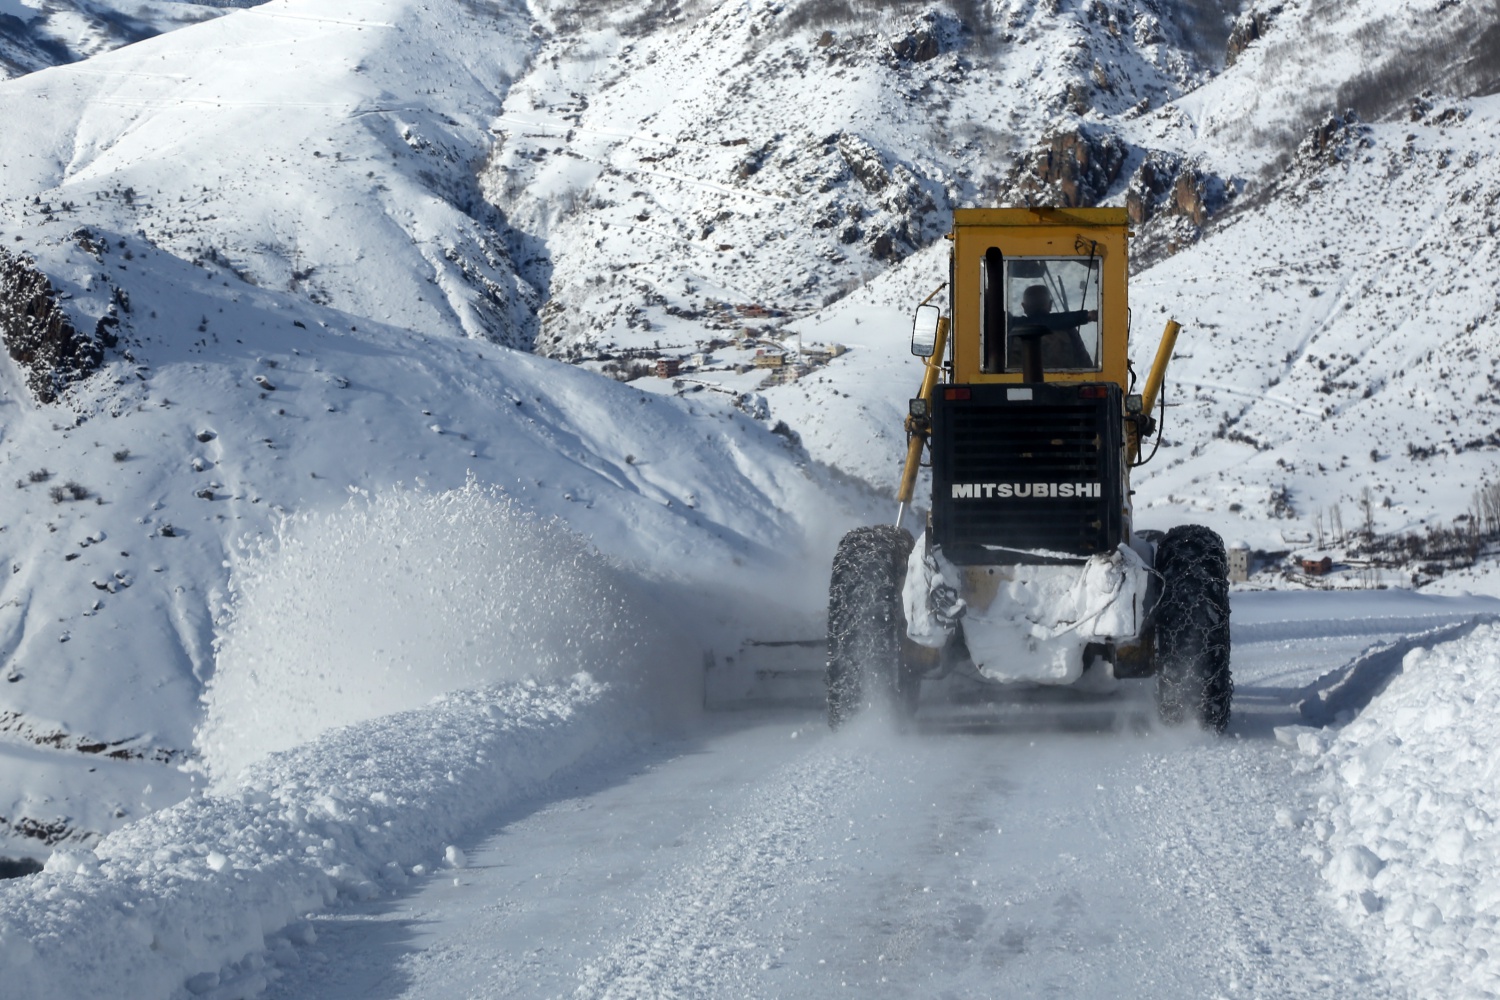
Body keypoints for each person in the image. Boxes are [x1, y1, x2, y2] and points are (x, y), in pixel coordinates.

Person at [1004, 284, 1097, 371]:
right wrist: (1085, 316)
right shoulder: (1068, 330)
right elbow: (1086, 364)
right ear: (1050, 304)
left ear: (1024, 307)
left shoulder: (1009, 333)